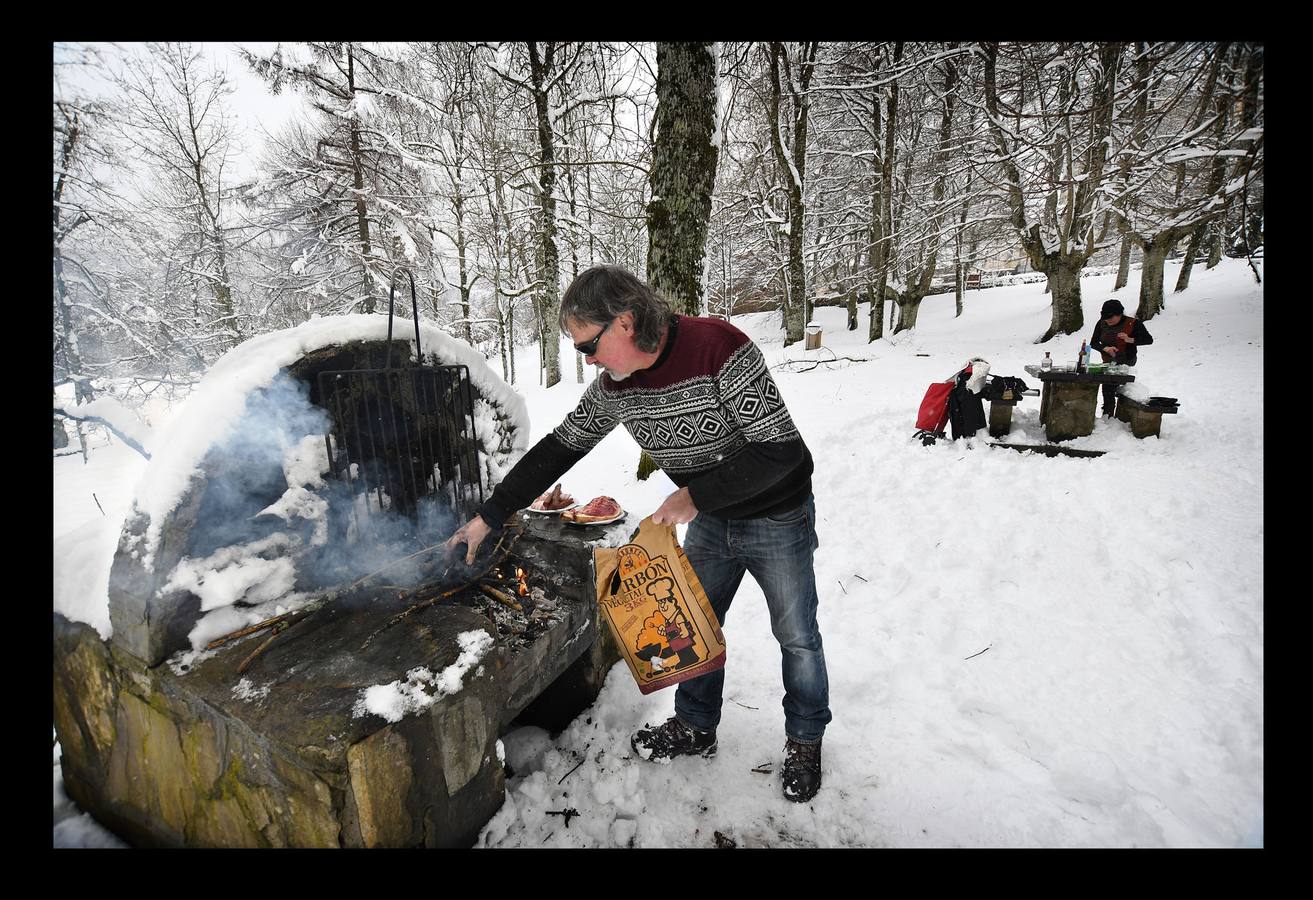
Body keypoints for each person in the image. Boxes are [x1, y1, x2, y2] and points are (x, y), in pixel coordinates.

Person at [444, 265, 831, 803]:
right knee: (692, 627)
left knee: (796, 636)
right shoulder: (615, 389)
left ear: (624, 322)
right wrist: (490, 516)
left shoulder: (718, 347)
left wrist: (694, 496)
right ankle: (696, 727)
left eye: (589, 345)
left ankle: (805, 739)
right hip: (713, 522)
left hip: (777, 515)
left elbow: (784, 452)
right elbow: (559, 448)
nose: (587, 360)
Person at [1090, 299, 1153, 416]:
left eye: (1111, 318)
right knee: (1107, 387)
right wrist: (1105, 348)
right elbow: (1093, 343)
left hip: (1126, 362)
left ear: (1119, 314)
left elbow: (1149, 340)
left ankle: (1115, 417)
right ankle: (1108, 415)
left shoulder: (1133, 323)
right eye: (1106, 318)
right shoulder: (1101, 323)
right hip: (1108, 363)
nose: (1108, 321)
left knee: (1113, 386)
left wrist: (1130, 339)